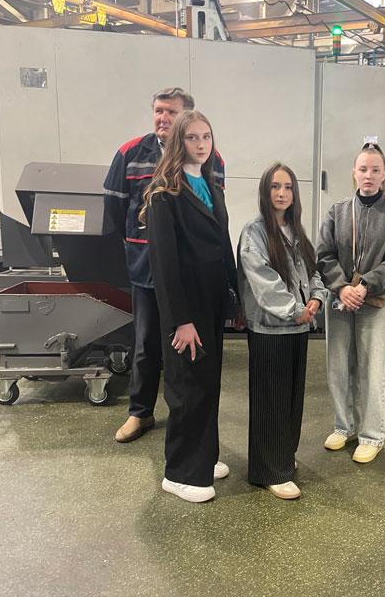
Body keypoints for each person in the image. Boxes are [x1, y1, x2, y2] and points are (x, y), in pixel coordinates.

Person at [104, 88, 225, 444]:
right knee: (146, 344)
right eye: (159, 110)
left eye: (172, 112)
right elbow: (115, 208)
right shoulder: (130, 153)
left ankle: (184, 419)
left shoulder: (210, 157)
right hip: (146, 271)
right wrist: (142, 245)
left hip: (189, 278)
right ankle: (140, 412)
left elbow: (211, 216)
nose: (163, 118)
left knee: (187, 349)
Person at [143, 110, 237, 503]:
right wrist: (180, 320)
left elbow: (223, 244)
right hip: (186, 306)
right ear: (177, 141)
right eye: (192, 138)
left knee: (208, 383)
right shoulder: (165, 194)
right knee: (186, 387)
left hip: (212, 302)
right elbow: (164, 265)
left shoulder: (212, 186)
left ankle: (204, 457)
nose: (201, 145)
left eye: (206, 137)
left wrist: (235, 295)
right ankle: (179, 472)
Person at [316, 143, 385, 464]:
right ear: (354, 173)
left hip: (377, 305)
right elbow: (324, 255)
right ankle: (344, 427)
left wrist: (365, 285)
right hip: (340, 302)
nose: (368, 175)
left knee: (374, 369)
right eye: (363, 169)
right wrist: (342, 288)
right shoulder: (337, 212)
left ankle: (372, 436)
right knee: (339, 367)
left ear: (384, 175)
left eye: (375, 170)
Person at [237, 163, 325, 500]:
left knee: (291, 400)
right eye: (275, 186)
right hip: (270, 329)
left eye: (288, 187)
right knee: (270, 401)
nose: (282, 193)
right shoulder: (255, 232)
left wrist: (317, 299)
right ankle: (268, 471)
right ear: (265, 191)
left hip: (298, 328)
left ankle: (284, 457)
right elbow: (264, 281)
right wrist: (295, 310)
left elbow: (313, 271)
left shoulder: (296, 230)